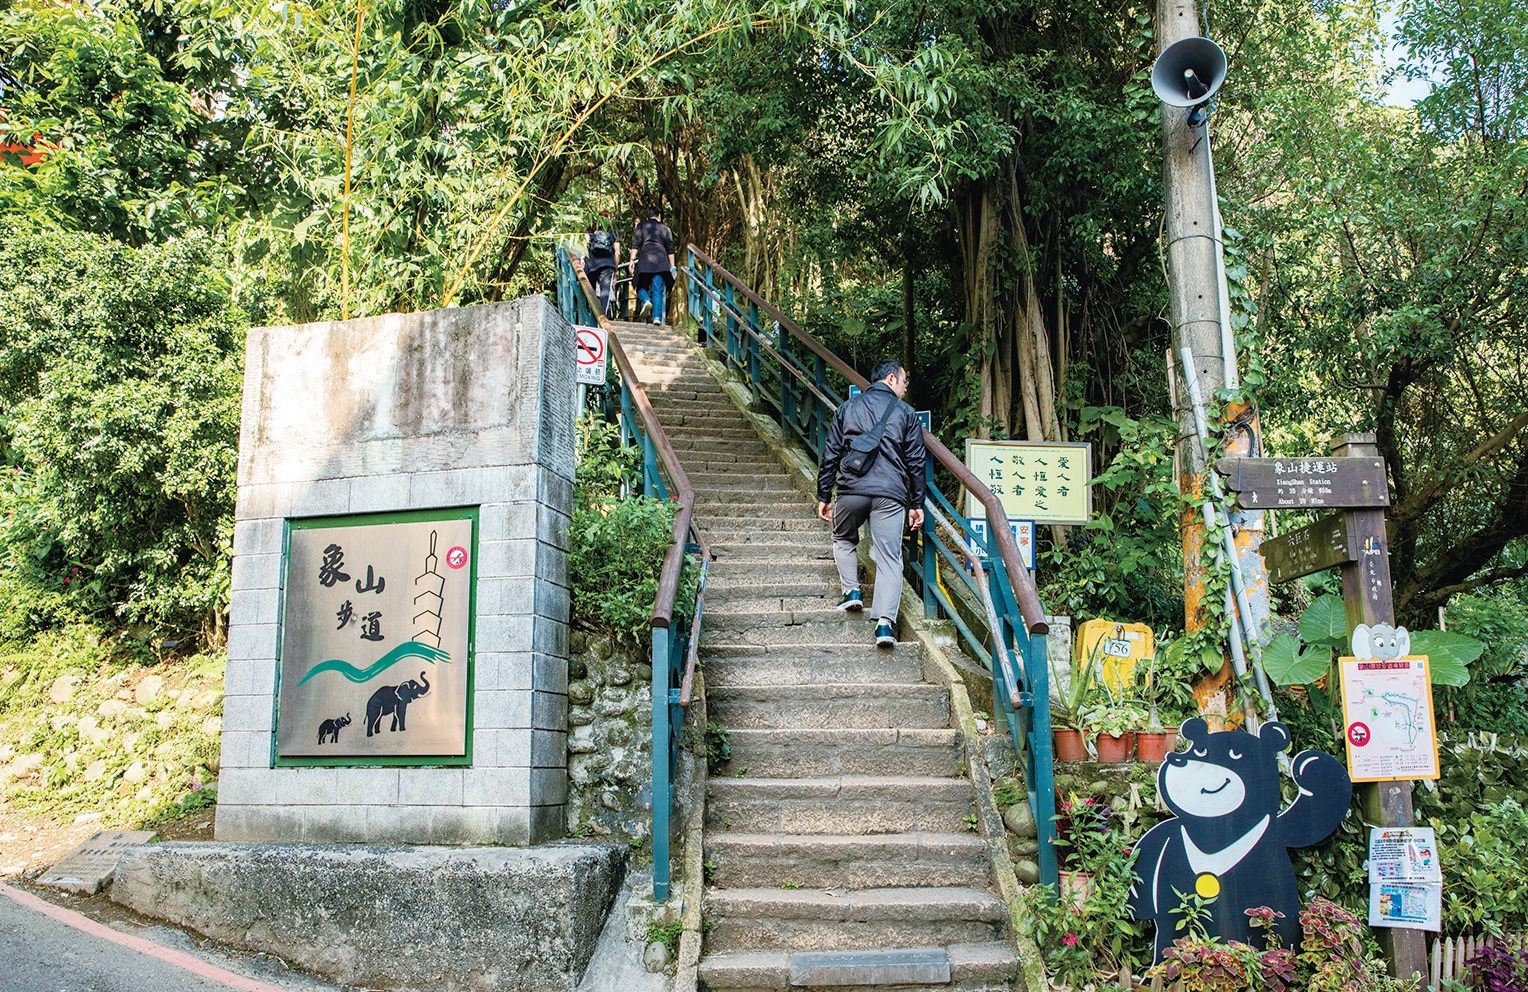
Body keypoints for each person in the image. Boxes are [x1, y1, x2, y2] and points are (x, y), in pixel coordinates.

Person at [816, 360, 926, 648]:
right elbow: (915, 461)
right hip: (890, 494)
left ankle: (852, 592)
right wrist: (916, 502)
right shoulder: (906, 413)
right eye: (904, 382)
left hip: (851, 490)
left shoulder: (847, 408)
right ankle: (885, 625)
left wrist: (824, 495)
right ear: (891, 379)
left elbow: (830, 455)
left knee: (842, 538)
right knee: (890, 557)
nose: (905, 389)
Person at [630, 205, 675, 324]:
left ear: (647, 216)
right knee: (657, 290)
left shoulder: (641, 226)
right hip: (661, 261)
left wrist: (631, 260)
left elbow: (636, 244)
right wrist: (673, 267)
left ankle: (645, 300)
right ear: (659, 216)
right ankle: (657, 318)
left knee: (640, 286)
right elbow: (670, 249)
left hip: (645, 259)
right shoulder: (665, 228)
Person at [584, 221, 621, 317]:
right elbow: (617, 253)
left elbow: (584, 246)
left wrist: (582, 261)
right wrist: (615, 269)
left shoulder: (590, 231)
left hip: (591, 264)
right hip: (607, 264)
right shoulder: (613, 232)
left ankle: (589, 316)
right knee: (605, 292)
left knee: (589, 291)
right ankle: (602, 317)